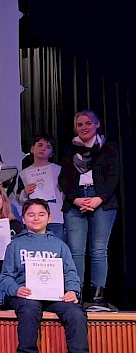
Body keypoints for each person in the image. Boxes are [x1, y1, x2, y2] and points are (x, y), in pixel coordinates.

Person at [0, 199, 96, 353]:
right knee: (29, 310)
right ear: (23, 219)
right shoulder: (15, 245)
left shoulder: (59, 245)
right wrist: (16, 289)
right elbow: (5, 277)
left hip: (54, 294)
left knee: (76, 313)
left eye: (41, 214)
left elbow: (71, 273)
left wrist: (72, 291)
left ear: (49, 218)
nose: (36, 218)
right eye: (31, 214)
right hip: (27, 294)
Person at [59, 110, 121, 312]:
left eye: (88, 123)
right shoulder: (69, 149)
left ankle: (97, 297)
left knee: (98, 250)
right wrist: (76, 199)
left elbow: (113, 175)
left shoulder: (108, 147)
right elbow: (64, 179)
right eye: (80, 124)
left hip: (102, 199)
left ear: (97, 124)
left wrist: (98, 199)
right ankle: (75, 293)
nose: (84, 127)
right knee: (76, 250)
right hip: (75, 200)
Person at [16, 135, 64, 241]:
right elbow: (19, 200)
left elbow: (65, 196)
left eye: (48, 147)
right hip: (34, 219)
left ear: (51, 153)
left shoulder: (58, 170)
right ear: (32, 149)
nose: (43, 149)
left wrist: (61, 191)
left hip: (55, 217)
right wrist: (25, 192)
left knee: (56, 246)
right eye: (40, 145)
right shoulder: (24, 173)